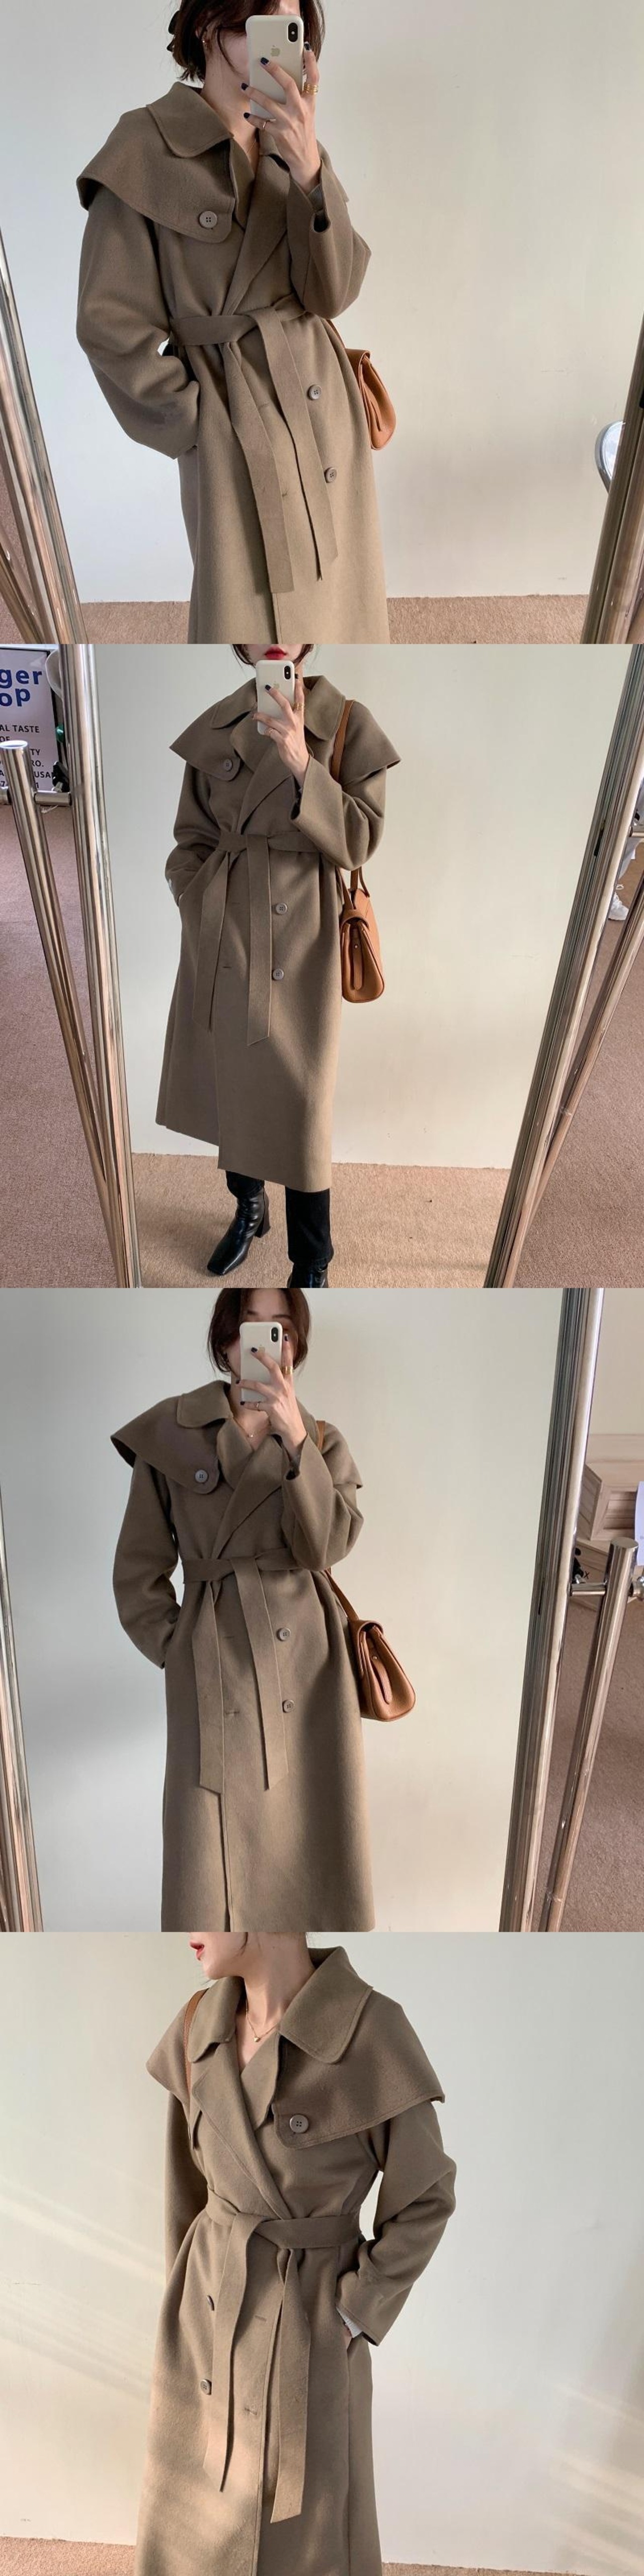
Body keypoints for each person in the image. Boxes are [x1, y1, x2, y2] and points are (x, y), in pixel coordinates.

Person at [133, 1931, 457, 2576]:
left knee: (303, 2527)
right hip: (207, 2310)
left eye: (211, 1898)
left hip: (309, 2319)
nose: (187, 1927)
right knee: (188, 2503)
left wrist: (354, 2311)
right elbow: (185, 2188)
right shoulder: (198, 2025)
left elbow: (426, 2196)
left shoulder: (369, 2029)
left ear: (267, 1895)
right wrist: (185, 2300)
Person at [76, 1, 390, 641]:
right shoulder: (143, 148)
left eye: (292, 28)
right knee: (246, 611)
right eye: (259, 23)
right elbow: (109, 326)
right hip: (231, 417)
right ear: (206, 26)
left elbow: (333, 293)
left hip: (322, 404)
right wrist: (197, 424)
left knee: (343, 601)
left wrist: (309, 170)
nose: (279, 45)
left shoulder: (294, 145)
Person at [112, 1287, 376, 1928]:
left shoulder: (320, 1439)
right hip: (212, 1664)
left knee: (311, 1836)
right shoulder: (170, 1434)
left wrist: (294, 1440)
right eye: (249, 1325)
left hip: (308, 1666)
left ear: (295, 1344)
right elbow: (138, 1572)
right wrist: (179, 1648)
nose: (263, 1341)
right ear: (225, 1339)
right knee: (210, 1857)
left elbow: (325, 1548)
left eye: (279, 1327)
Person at [156, 645, 399, 1287]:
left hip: (303, 935)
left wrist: (300, 763)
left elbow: (358, 842)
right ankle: (249, 1207)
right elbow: (191, 838)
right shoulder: (218, 724)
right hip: (226, 927)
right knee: (235, 1083)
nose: (271, 637)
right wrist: (194, 898)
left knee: (301, 1100)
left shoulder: (345, 722)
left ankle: (311, 1258)